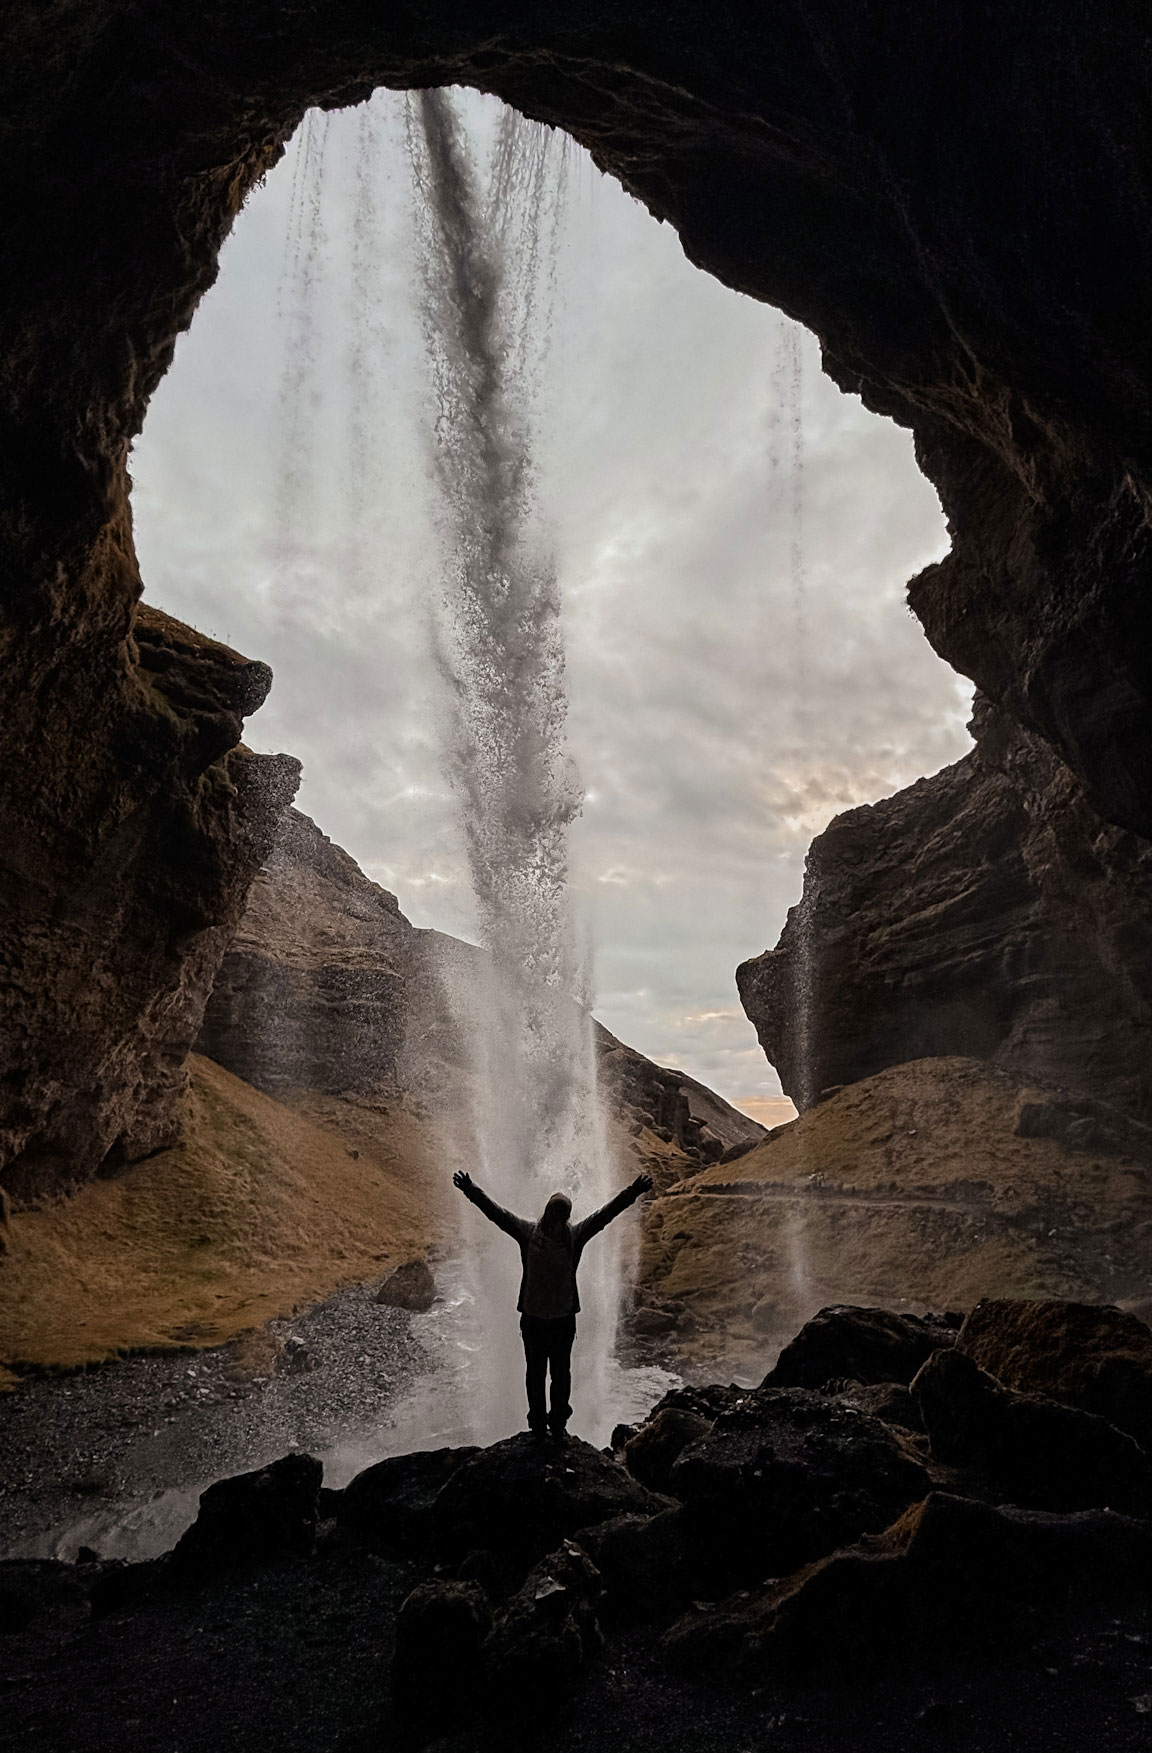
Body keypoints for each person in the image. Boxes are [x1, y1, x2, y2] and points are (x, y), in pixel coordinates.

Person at [452, 1167, 654, 1446]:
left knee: (558, 1374)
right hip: (538, 1320)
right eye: (555, 1216)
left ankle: (556, 1423)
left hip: (558, 1320)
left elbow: (605, 1215)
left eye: (562, 1217)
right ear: (548, 1214)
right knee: (538, 1374)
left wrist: (633, 1192)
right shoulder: (528, 1233)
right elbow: (497, 1214)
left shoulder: (573, 1237)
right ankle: (539, 1425)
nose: (558, 1222)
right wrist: (471, 1190)